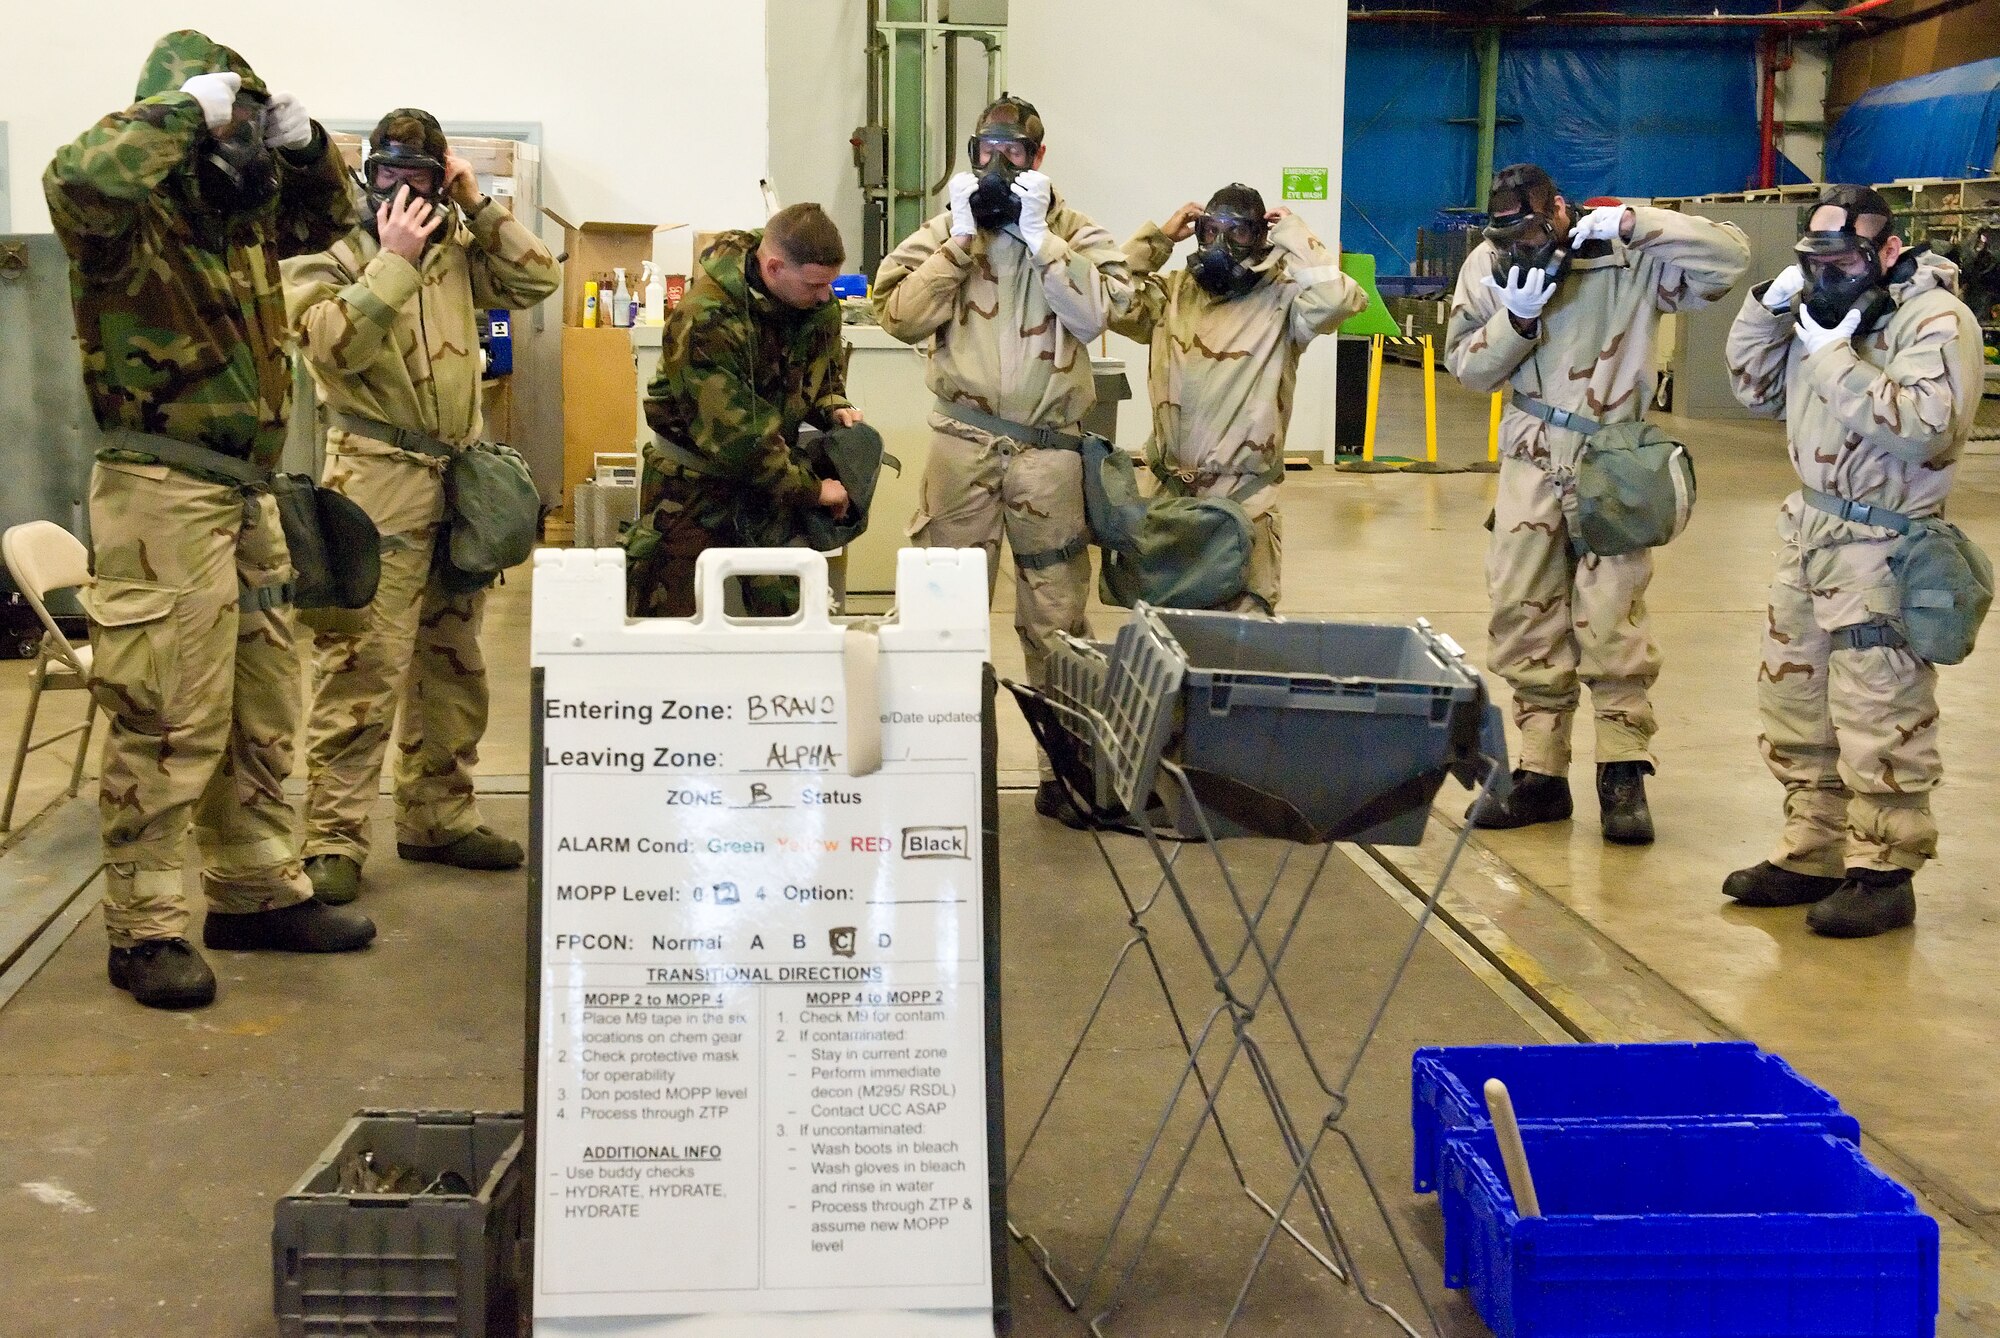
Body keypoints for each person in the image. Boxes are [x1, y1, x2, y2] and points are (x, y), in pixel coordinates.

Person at [43, 31, 371, 1010]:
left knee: (261, 702)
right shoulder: (123, 219)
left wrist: (305, 146)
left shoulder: (244, 216)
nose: (240, 145)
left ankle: (255, 889)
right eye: (230, 125)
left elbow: (335, 214)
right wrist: (188, 109)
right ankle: (144, 928)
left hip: (249, 488)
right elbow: (79, 174)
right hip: (161, 488)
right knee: (167, 712)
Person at [283, 109, 560, 906]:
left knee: (453, 661)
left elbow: (538, 278)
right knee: (361, 664)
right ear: (367, 173)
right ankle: (333, 837)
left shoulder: (457, 249)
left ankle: (439, 815)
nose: (402, 192)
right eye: (388, 175)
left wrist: (476, 205)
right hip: (374, 480)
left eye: (423, 178)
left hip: (458, 480)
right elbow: (331, 346)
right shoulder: (332, 249)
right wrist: (393, 261)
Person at [1445, 164, 1749, 845]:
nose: (1523, 246)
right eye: (1509, 235)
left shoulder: (1626, 254)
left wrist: (1639, 223)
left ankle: (1622, 772)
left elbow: (1729, 258)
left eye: (1533, 229)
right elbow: (1467, 368)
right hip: (1530, 457)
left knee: (1614, 616)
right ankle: (1540, 772)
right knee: (1523, 611)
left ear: (1559, 208)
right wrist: (1516, 320)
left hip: (1612, 460)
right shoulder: (1488, 265)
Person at [1722, 186, 1986, 937]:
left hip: (1884, 542)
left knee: (1880, 708)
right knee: (1796, 701)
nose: (1826, 276)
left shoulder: (1934, 320)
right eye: (1814, 262)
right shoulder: (1823, 312)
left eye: (1840, 262)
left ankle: (1885, 870)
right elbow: (1753, 390)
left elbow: (1923, 428)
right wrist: (1769, 309)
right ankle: (1813, 850)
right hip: (1810, 530)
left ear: (1888, 250)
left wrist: (1833, 357)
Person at [871, 94, 1134, 820]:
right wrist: (961, 243)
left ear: (1038, 157)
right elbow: (897, 316)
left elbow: (1100, 313)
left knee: (1057, 620)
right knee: (942, 613)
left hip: (1048, 454)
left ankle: (1071, 778)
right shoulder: (945, 229)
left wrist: (1043, 240)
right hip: (962, 447)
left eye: (1013, 151)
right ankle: (942, 772)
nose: (997, 163)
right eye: (985, 149)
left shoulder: (1075, 232)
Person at [1111, 184, 1367, 612]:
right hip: (1168, 499)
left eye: (1238, 232)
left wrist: (1295, 235)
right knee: (1164, 630)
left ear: (1261, 237)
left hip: (1243, 502)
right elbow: (1108, 299)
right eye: (1210, 230)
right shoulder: (1170, 295)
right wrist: (1157, 241)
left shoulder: (1285, 301)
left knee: (1239, 634)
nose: (1221, 244)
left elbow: (1340, 299)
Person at [626, 202, 860, 618]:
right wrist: (813, 491)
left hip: (770, 485)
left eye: (830, 283)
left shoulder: (816, 305)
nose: (825, 295)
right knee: (672, 629)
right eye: (814, 284)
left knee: (795, 623)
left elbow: (822, 376)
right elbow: (736, 438)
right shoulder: (706, 319)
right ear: (773, 268)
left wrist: (833, 406)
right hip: (692, 489)